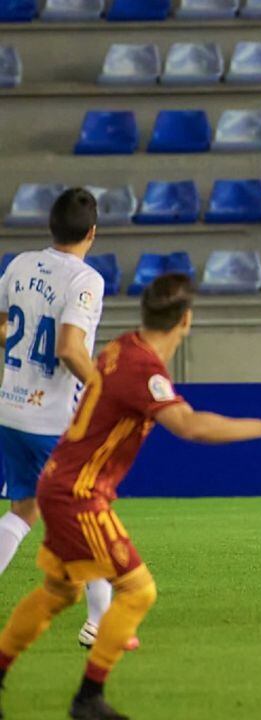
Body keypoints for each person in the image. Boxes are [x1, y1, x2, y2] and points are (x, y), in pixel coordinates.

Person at [0, 274, 261, 720]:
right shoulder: (143, 370)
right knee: (138, 591)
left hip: (61, 480)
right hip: (79, 493)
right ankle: (88, 698)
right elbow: (189, 426)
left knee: (59, 592)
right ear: (186, 321)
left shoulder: (119, 348)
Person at [0, 188, 118, 649]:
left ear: (51, 227)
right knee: (89, 509)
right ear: (92, 232)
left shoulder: (19, 265)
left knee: (23, 510)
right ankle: (101, 619)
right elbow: (70, 348)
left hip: (8, 407)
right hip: (50, 417)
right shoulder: (85, 279)